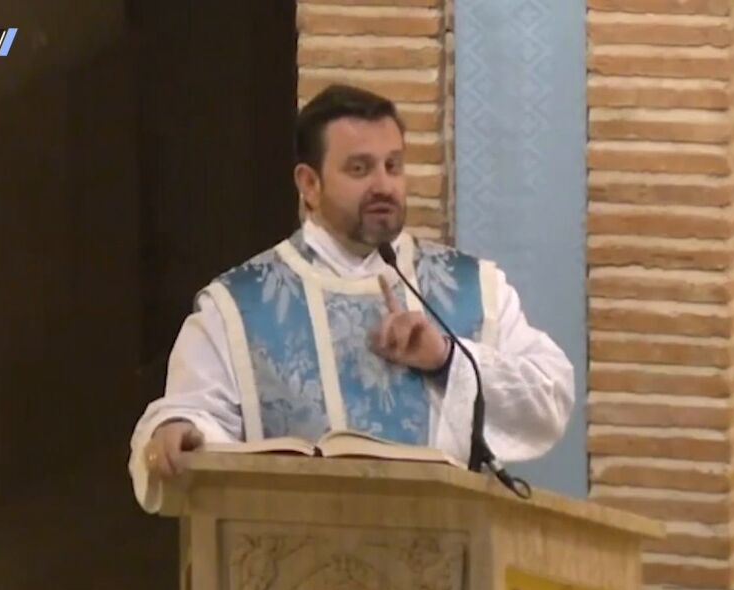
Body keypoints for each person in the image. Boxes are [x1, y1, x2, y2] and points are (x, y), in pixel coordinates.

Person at [128, 84, 574, 512]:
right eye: (360, 169)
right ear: (309, 183)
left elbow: (550, 397)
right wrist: (179, 429)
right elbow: (194, 415)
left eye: (393, 166)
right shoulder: (239, 305)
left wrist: (446, 358)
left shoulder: (472, 288)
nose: (383, 185)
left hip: (445, 549)